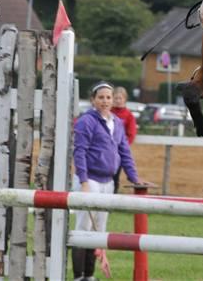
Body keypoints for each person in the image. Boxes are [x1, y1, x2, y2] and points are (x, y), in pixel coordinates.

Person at [72, 82, 142, 281]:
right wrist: (84, 180)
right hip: (89, 180)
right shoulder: (87, 121)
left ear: (113, 100)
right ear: (93, 100)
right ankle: (79, 276)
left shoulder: (118, 123)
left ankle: (90, 275)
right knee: (84, 227)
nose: (105, 101)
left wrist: (133, 176)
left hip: (107, 182)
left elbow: (125, 152)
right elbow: (80, 151)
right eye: (101, 97)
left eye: (108, 97)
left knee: (99, 230)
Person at [111, 86, 138, 193]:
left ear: (125, 99)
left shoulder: (129, 115)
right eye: (115, 98)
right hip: (105, 150)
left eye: (120, 98)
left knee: (115, 177)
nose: (117, 101)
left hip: (119, 152)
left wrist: (122, 147)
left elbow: (131, 134)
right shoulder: (108, 112)